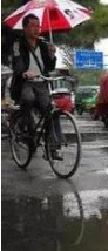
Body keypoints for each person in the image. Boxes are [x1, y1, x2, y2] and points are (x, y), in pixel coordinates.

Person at [11, 14, 62, 159]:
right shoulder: (18, 44)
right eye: (32, 25)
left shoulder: (44, 45)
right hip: (25, 82)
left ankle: (53, 147)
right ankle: (28, 129)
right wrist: (24, 73)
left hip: (41, 83)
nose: (36, 28)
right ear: (25, 28)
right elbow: (17, 61)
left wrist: (52, 55)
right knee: (28, 99)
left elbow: (50, 66)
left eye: (38, 25)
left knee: (50, 111)